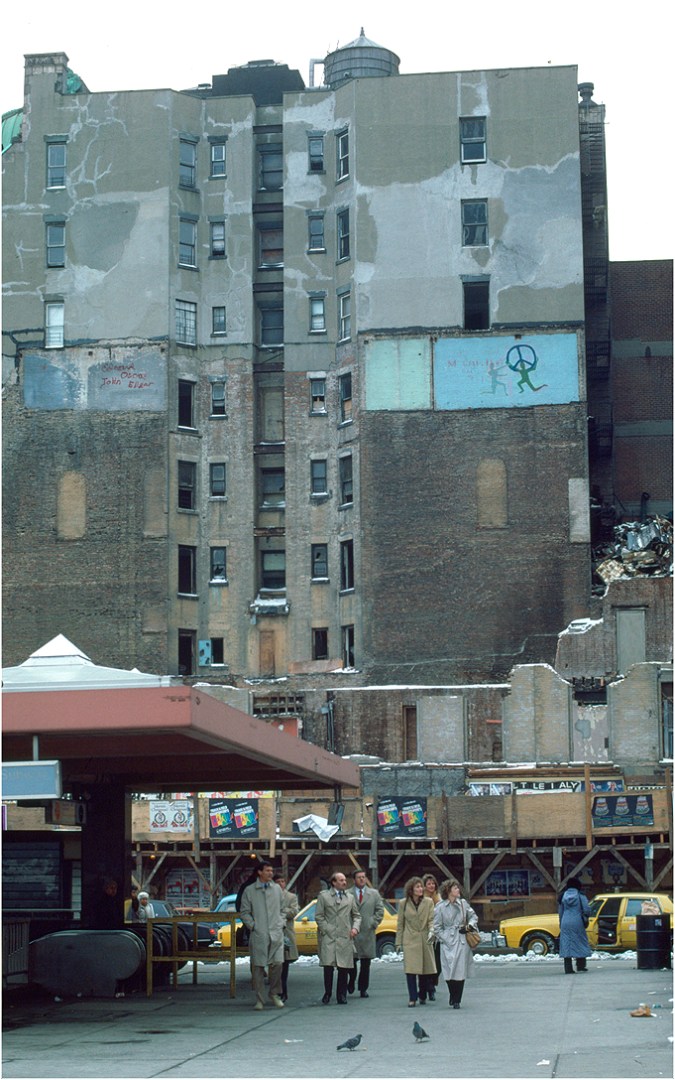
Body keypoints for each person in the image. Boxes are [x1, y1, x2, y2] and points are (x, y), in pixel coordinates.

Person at [240, 861, 286, 1010]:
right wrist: (253, 926)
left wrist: (281, 923)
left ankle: (274, 993)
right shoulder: (250, 890)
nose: (270, 873)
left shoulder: (277, 889)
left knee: (278, 964)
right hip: (259, 933)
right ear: (259, 872)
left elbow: (284, 909)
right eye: (267, 870)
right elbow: (244, 912)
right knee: (258, 967)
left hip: (276, 932)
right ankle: (259, 998)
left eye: (272, 871)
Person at [315, 871, 361, 1004]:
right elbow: (319, 916)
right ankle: (327, 993)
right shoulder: (324, 896)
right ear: (334, 882)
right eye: (341, 880)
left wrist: (355, 928)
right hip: (329, 937)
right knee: (328, 967)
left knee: (344, 968)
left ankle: (342, 994)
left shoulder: (350, 898)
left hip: (344, 936)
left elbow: (356, 916)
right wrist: (327, 929)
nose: (344, 882)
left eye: (345, 880)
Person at [433, 878, 478, 1009]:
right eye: (455, 888)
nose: (458, 890)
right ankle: (452, 994)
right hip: (447, 941)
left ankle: (457, 999)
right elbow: (437, 927)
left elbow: (474, 916)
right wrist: (444, 938)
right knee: (448, 971)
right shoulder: (440, 907)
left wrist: (469, 927)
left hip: (461, 939)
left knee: (460, 970)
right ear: (448, 891)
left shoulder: (463, 904)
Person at [396, 876, 436, 1007]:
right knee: (411, 970)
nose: (421, 889)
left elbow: (431, 919)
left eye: (421, 886)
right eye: (418, 887)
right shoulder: (403, 903)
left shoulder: (429, 902)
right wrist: (398, 942)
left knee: (424, 970)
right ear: (411, 889)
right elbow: (400, 923)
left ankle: (422, 994)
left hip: (425, 937)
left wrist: (432, 931)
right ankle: (412, 997)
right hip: (410, 939)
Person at [348, 869, 384, 998]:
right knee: (351, 961)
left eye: (363, 877)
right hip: (352, 932)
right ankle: (351, 980)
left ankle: (363, 988)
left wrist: (373, 923)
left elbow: (380, 910)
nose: (362, 879)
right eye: (359, 877)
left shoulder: (373, 894)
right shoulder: (348, 894)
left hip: (367, 932)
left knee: (365, 963)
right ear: (354, 880)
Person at [558, 876, 591, 974]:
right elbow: (587, 909)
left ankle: (568, 968)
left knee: (566, 944)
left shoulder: (562, 896)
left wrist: (561, 922)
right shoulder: (580, 896)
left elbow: (560, 911)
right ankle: (580, 966)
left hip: (565, 921)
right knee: (580, 942)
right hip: (577, 922)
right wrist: (586, 916)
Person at [274, 873, 299, 1002]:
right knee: (275, 965)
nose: (281, 884)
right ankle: (276, 990)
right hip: (273, 934)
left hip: (286, 935)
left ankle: (283, 991)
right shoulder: (269, 896)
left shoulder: (291, 897)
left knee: (284, 965)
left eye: (283, 881)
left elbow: (294, 912)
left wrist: (282, 910)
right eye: (278, 882)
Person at [422, 874, 441, 1000]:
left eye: (433, 883)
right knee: (428, 962)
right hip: (426, 934)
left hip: (438, 934)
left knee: (438, 963)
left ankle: (433, 981)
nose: (431, 886)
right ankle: (429, 988)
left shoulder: (438, 898)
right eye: (429, 884)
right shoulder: (422, 899)